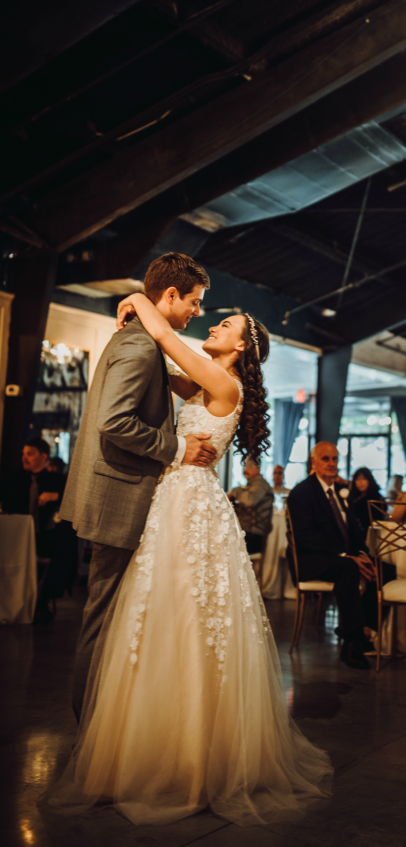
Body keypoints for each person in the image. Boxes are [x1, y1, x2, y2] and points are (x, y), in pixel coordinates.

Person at [42, 292, 331, 826]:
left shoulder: (225, 382)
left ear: (243, 347)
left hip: (190, 502)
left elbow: (168, 340)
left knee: (190, 616)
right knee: (159, 614)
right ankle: (153, 742)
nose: (214, 326)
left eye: (225, 324)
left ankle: (192, 757)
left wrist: (136, 298)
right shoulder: (199, 381)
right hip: (172, 498)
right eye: (213, 318)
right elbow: (159, 365)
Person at [58, 253, 217, 721]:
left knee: (115, 613)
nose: (196, 312)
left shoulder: (143, 340)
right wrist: (177, 448)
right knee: (103, 616)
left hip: (124, 496)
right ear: (170, 296)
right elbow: (113, 421)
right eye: (194, 301)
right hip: (118, 497)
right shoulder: (141, 346)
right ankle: (89, 724)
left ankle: (109, 720)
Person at [287, 442, 376, 670]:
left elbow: (352, 532)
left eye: (334, 459)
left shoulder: (339, 492)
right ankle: (352, 642)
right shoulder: (302, 493)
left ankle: (368, 631)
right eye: (325, 459)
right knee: (347, 567)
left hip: (338, 558)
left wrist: (362, 554)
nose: (331, 464)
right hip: (311, 560)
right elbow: (306, 537)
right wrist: (347, 556)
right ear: (314, 462)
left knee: (382, 568)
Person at [0, 437, 72, 624]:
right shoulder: (14, 478)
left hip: (41, 537)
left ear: (43, 457)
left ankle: (43, 602)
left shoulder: (57, 480)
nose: (24, 458)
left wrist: (56, 496)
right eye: (23, 454)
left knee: (65, 548)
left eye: (30, 454)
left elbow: (74, 499)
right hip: (14, 540)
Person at [261, 466, 295, 600]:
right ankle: (269, 582)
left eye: (280, 473)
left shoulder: (288, 492)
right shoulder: (268, 492)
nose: (277, 475)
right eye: (275, 473)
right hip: (271, 525)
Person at [229, 458, 274, 554]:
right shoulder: (250, 485)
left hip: (253, 537)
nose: (245, 469)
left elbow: (250, 500)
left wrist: (235, 492)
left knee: (222, 545)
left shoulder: (261, 484)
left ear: (258, 468)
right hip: (245, 533)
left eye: (249, 465)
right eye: (244, 465)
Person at [348, 467, 386, 535]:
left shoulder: (376, 498)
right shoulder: (353, 496)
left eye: (363, 478)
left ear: (369, 480)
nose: (360, 482)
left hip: (371, 535)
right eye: (357, 479)